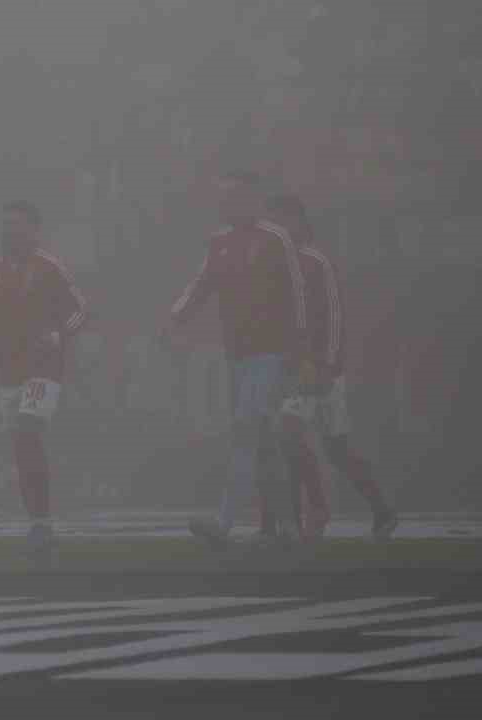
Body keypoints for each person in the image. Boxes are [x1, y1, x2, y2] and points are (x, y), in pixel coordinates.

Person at [164, 170, 307, 549]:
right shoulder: (219, 243)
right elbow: (201, 284)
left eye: (232, 197)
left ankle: (224, 522)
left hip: (270, 354)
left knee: (245, 431)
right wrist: (176, 317)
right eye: (222, 197)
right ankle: (291, 528)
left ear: (251, 199)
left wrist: (300, 355)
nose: (225, 204)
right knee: (262, 443)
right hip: (237, 355)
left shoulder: (276, 239)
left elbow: (298, 297)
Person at [0, 200, 89, 565]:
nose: (9, 233)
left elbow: (81, 311)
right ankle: (39, 523)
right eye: (5, 227)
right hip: (8, 373)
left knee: (28, 432)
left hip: (43, 370)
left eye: (17, 227)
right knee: (21, 448)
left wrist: (58, 334)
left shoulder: (49, 268)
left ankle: (42, 524)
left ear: (33, 231)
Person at [265, 193, 399, 541]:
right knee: (306, 439)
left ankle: (320, 511)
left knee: (303, 436)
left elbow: (335, 315)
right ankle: (303, 519)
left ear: (298, 222)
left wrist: (326, 364)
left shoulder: (315, 261)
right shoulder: (277, 267)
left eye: (283, 222)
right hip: (292, 370)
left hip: (320, 369)